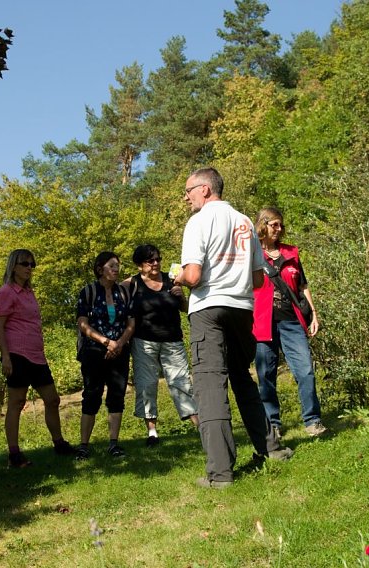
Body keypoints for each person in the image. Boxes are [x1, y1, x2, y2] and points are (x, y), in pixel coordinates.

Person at [173, 167, 292, 489]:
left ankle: (220, 474)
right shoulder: (244, 222)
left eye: (189, 191)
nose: (186, 197)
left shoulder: (199, 221)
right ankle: (271, 448)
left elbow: (195, 276)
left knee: (210, 387)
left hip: (209, 309)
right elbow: (257, 278)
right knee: (242, 378)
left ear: (206, 190)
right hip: (242, 310)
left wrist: (180, 278)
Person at [0, 249, 76, 467]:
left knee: (52, 399)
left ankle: (59, 443)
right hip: (17, 355)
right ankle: (14, 454)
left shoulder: (29, 292)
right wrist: (5, 357)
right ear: (13, 266)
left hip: (37, 355)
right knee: (17, 402)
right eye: (25, 264)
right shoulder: (6, 292)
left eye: (32, 264)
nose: (30, 268)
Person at [253, 207, 327, 438]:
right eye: (274, 224)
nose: (279, 229)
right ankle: (273, 424)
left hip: (292, 320)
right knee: (266, 374)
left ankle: (312, 420)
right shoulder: (252, 253)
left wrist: (313, 314)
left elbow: (303, 286)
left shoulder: (291, 253)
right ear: (263, 225)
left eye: (281, 225)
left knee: (305, 370)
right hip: (262, 322)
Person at [123, 244, 198, 446]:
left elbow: (186, 309)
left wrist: (181, 296)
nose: (156, 263)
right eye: (150, 260)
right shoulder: (132, 284)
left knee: (181, 382)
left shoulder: (172, 278)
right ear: (140, 265)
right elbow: (112, 297)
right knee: (147, 385)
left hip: (172, 340)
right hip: (144, 342)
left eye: (158, 259)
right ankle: (152, 433)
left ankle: (199, 426)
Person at [75, 251, 135, 460]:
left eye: (118, 266)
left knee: (117, 396)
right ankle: (83, 446)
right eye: (112, 266)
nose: (116, 269)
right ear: (100, 269)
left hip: (119, 350)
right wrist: (106, 342)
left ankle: (114, 444)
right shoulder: (89, 291)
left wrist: (118, 343)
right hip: (93, 351)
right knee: (91, 395)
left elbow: (131, 322)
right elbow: (83, 324)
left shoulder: (124, 293)